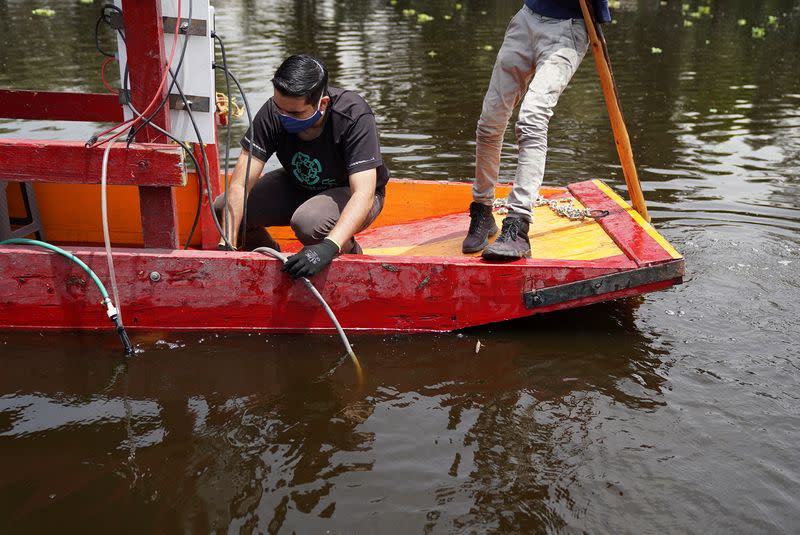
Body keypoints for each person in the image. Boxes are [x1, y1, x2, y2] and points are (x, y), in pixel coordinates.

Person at [215, 54, 389, 278]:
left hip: (351, 193)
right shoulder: (272, 112)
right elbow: (240, 184)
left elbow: (363, 194)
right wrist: (226, 244)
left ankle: (355, 265)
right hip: (299, 184)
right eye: (280, 109)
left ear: (322, 103)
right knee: (223, 207)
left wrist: (327, 248)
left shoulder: (353, 115)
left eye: (295, 113)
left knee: (308, 223)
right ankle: (268, 263)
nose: (283, 117)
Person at [462, 0, 611, 260]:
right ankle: (483, 212)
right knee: (489, 122)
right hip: (527, 18)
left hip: (568, 29)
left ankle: (518, 226)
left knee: (532, 119)